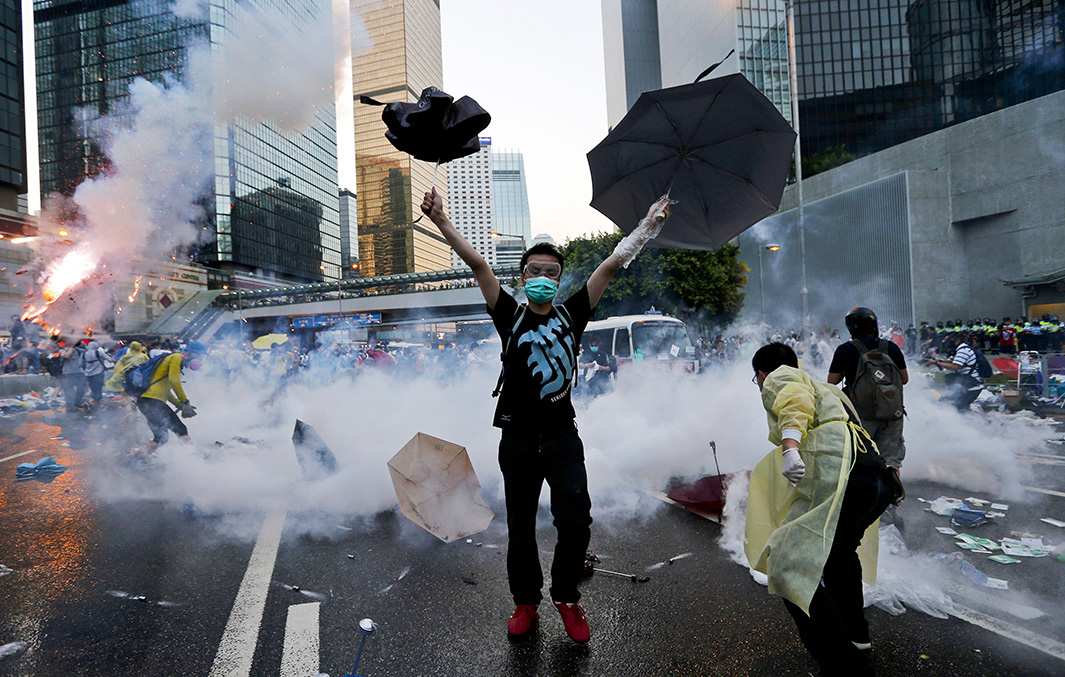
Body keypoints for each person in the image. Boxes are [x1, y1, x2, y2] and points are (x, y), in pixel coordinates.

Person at [421, 186, 671, 644]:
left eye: (551, 272)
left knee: (576, 522)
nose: (543, 277)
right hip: (517, 440)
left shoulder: (572, 314)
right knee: (520, 528)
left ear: (559, 280)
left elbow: (611, 265)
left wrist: (647, 228)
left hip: (561, 437)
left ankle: (566, 597)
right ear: (522, 277)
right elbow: (478, 264)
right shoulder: (510, 315)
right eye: (534, 271)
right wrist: (441, 221)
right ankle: (525, 603)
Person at [745, 343, 899, 677]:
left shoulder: (781, 375)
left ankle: (847, 669)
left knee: (786, 567)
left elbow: (793, 402)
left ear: (760, 374)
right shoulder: (828, 390)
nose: (760, 385)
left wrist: (790, 447)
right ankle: (857, 640)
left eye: (756, 380)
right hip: (875, 479)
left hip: (843, 476)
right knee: (839, 555)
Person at [827, 308, 908, 473]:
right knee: (891, 461)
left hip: (861, 415)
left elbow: (832, 381)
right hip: (892, 412)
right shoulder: (890, 347)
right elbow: (904, 379)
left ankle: (867, 495)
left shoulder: (846, 350)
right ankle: (894, 495)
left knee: (861, 459)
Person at [135, 340, 208, 452]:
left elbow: (166, 391)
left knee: (161, 438)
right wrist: (184, 401)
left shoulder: (175, 359)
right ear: (193, 353)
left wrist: (178, 404)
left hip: (147, 400)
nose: (201, 359)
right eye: (201, 355)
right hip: (152, 401)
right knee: (180, 430)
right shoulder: (177, 358)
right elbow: (174, 381)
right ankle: (194, 456)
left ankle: (132, 458)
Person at [926, 333, 982, 411]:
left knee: (956, 408)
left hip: (972, 387)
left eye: (950, 341)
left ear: (958, 340)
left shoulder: (963, 351)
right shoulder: (959, 350)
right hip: (966, 384)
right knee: (951, 404)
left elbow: (954, 367)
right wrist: (937, 361)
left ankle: (973, 421)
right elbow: (950, 361)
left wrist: (936, 363)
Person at [81, 340, 113, 410]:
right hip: (98, 374)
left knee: (94, 389)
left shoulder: (84, 354)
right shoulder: (99, 352)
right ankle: (91, 403)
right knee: (98, 389)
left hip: (88, 375)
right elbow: (109, 359)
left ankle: (98, 405)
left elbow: (80, 364)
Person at [60, 338, 87, 414]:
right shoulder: (62, 350)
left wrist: (83, 345)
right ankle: (69, 408)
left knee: (81, 389)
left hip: (79, 373)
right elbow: (66, 356)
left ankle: (76, 404)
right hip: (67, 374)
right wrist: (72, 348)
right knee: (69, 392)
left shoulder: (79, 350)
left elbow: (87, 352)